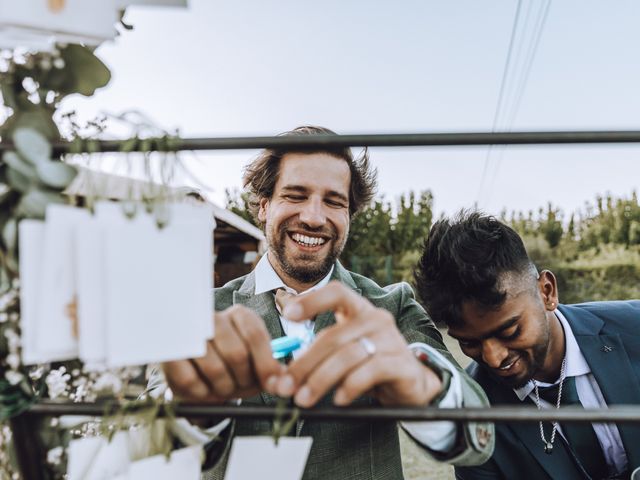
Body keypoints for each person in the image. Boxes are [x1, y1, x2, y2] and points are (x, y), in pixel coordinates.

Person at [158, 126, 493, 479]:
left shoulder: (392, 308)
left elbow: (478, 436)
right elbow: (145, 436)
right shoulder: (203, 312)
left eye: (334, 201)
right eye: (296, 195)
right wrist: (194, 408)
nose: (314, 217)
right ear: (264, 206)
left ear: (349, 215)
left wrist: (420, 385)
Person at [414, 210, 640, 480]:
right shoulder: (474, 416)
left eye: (509, 330)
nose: (494, 358)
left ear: (547, 291)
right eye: (469, 342)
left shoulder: (633, 329)